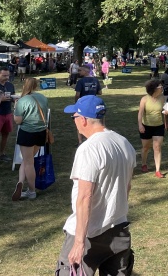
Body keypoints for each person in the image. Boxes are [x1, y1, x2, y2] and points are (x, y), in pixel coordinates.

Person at [56, 96, 136, 276]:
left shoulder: (88, 149)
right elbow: (127, 187)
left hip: (90, 234)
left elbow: (85, 197)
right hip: (118, 230)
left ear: (83, 120)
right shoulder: (125, 144)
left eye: (74, 117)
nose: (74, 122)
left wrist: (78, 243)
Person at [11, 77, 49, 201]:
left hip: (27, 133)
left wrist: (15, 108)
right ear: (36, 85)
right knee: (28, 159)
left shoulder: (22, 100)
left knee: (28, 162)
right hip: (41, 132)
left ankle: (31, 191)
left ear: (24, 86)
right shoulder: (43, 98)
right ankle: (21, 181)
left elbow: (18, 120)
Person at [137, 79, 166, 179]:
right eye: (160, 87)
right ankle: (144, 164)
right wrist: (140, 125)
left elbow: (165, 110)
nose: (162, 88)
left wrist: (167, 113)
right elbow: (140, 113)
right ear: (154, 89)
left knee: (157, 147)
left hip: (159, 126)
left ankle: (158, 170)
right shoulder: (144, 99)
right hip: (146, 126)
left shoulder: (162, 98)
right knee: (145, 147)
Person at [0, 66, 16, 166]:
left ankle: (2, 153)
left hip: (8, 112)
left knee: (6, 134)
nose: (6, 77)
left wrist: (15, 99)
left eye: (8, 75)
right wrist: (0, 99)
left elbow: (13, 96)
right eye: (4, 75)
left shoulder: (10, 85)